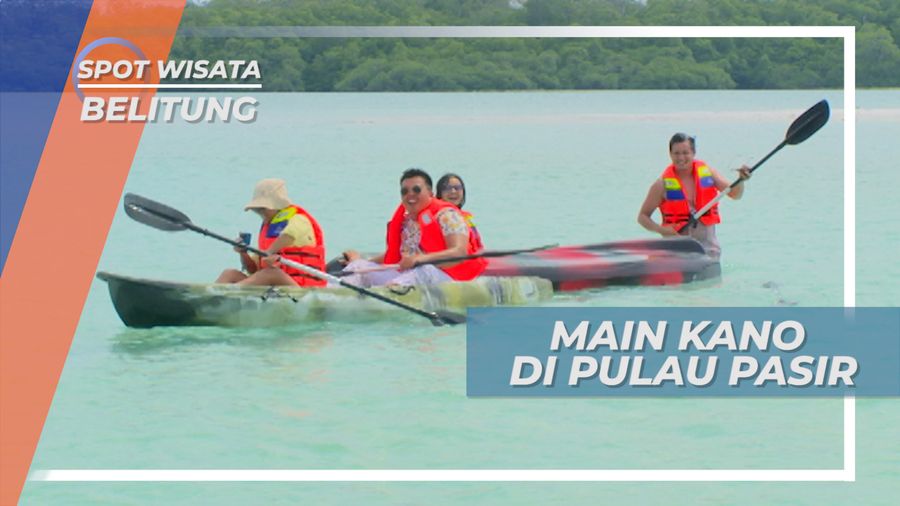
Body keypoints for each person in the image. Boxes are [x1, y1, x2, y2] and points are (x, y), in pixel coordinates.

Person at [342, 168, 486, 287]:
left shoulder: (448, 216)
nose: (410, 194)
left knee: (425, 269)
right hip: (408, 276)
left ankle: (392, 291)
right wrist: (364, 261)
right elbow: (397, 256)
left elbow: (460, 252)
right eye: (404, 191)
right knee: (358, 267)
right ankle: (336, 296)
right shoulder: (407, 223)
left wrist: (421, 259)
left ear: (430, 193)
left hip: (447, 279)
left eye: (416, 190)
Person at [637, 133, 751, 259]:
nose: (681, 157)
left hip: (708, 252)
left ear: (693, 153)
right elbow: (642, 217)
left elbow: (735, 194)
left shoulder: (708, 174)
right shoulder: (661, 185)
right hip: (676, 252)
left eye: (685, 152)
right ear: (670, 154)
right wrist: (661, 230)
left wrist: (741, 180)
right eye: (676, 153)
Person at [216, 178, 327, 287]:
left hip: (302, 288)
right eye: (256, 210)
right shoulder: (268, 230)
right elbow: (253, 270)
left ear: (277, 205)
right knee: (229, 273)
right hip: (275, 284)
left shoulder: (299, 219)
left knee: (271, 273)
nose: (260, 213)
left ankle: (230, 291)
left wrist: (269, 252)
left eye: (262, 209)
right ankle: (214, 294)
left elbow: (289, 235)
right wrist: (243, 253)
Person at [436, 172, 484, 251]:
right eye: (447, 188)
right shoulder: (444, 217)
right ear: (440, 193)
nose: (453, 191)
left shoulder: (465, 216)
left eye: (457, 187)